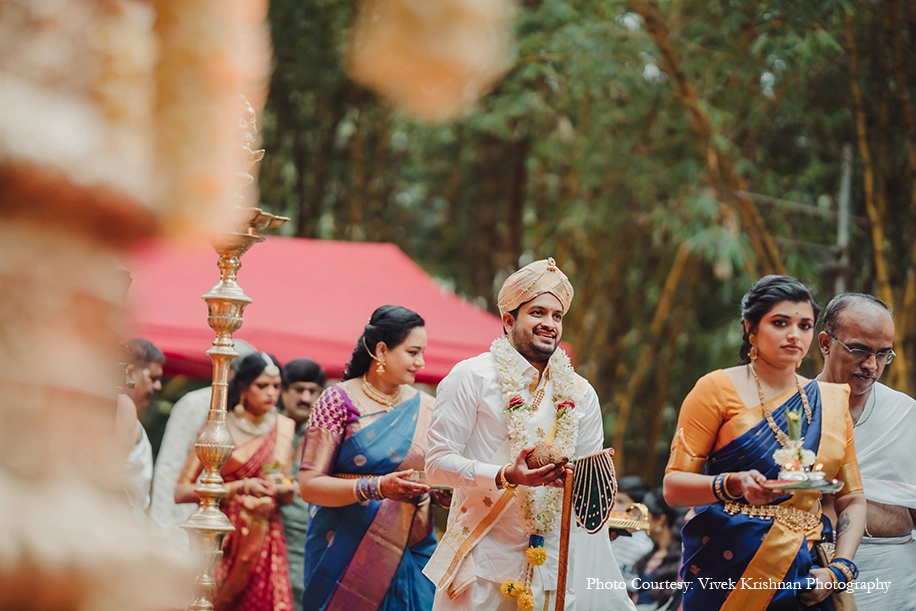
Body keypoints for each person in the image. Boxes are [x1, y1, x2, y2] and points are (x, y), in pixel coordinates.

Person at [423, 258, 635, 611]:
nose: (550, 323)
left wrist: (595, 482)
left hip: (553, 568)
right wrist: (506, 475)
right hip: (482, 562)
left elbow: (586, 481)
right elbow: (436, 465)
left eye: (557, 316)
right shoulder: (471, 377)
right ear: (509, 320)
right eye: (538, 312)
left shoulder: (580, 393)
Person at [663, 275, 867, 611]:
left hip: (806, 573)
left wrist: (839, 569)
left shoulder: (830, 402)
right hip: (727, 568)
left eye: (804, 325)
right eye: (780, 323)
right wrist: (733, 484)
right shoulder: (715, 389)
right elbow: (673, 487)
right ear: (751, 328)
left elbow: (853, 498)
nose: (794, 334)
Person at [298, 305, 443, 611]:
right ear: (381, 350)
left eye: (422, 353)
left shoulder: (427, 406)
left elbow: (431, 474)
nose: (421, 362)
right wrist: (377, 488)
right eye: (413, 352)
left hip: (413, 549)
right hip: (345, 553)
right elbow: (309, 485)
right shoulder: (337, 401)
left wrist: (440, 492)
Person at [175, 352, 296, 611]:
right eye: (262, 385)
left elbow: (280, 480)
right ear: (243, 386)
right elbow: (181, 491)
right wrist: (240, 487)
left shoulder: (284, 427)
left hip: (265, 538)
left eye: (276, 386)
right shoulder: (218, 428)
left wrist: (287, 490)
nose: (271, 393)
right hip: (221, 537)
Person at [817, 293, 916, 610]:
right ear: (825, 343)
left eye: (883, 354)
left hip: (896, 586)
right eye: (859, 350)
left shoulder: (905, 414)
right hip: (812, 577)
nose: (872, 365)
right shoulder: (793, 411)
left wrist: (835, 497)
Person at [149, 339, 257, 543]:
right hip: (186, 517)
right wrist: (160, 530)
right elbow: (169, 465)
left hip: (234, 525)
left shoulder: (253, 411)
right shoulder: (195, 404)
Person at [279, 358, 326, 611]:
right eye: (298, 390)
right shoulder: (266, 428)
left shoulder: (327, 435)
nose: (305, 398)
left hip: (307, 531)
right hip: (264, 527)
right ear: (283, 390)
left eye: (312, 391)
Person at [116, 338, 165, 518]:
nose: (158, 386)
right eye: (153, 378)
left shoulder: (124, 407)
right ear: (130, 373)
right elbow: (111, 472)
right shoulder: (124, 405)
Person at [631, 489, 687, 610]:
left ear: (660, 519)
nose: (640, 519)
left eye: (646, 514)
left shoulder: (681, 560)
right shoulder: (649, 553)